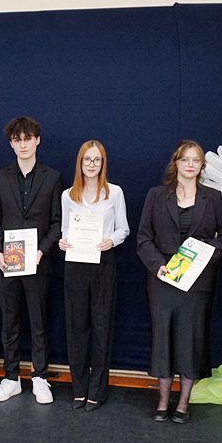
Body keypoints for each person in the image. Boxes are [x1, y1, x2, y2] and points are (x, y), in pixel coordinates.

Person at [137, 140, 222, 423]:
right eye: (185, 159)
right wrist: (158, 266)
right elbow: (144, 238)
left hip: (198, 280)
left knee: (191, 339)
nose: (190, 164)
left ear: (202, 166)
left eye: (196, 160)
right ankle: (162, 401)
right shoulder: (156, 195)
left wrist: (203, 254)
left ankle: (183, 403)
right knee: (163, 338)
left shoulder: (212, 197)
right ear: (176, 163)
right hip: (163, 278)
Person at [0, 116, 64, 404]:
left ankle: (40, 377)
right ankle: (11, 378)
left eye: (27, 139)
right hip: (6, 263)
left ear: (37, 140)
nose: (23, 145)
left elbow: (57, 222)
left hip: (38, 262)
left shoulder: (52, 177)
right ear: (11, 143)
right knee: (9, 322)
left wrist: (42, 250)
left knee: (39, 321)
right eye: (17, 140)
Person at [59, 140, 129, 411]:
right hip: (75, 264)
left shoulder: (115, 193)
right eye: (87, 159)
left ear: (103, 164)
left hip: (103, 263)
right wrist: (63, 241)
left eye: (96, 160)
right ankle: (79, 388)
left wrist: (112, 240)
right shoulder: (68, 196)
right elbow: (66, 229)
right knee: (76, 326)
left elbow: (123, 229)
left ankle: (97, 391)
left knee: (101, 326)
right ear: (80, 163)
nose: (91, 164)